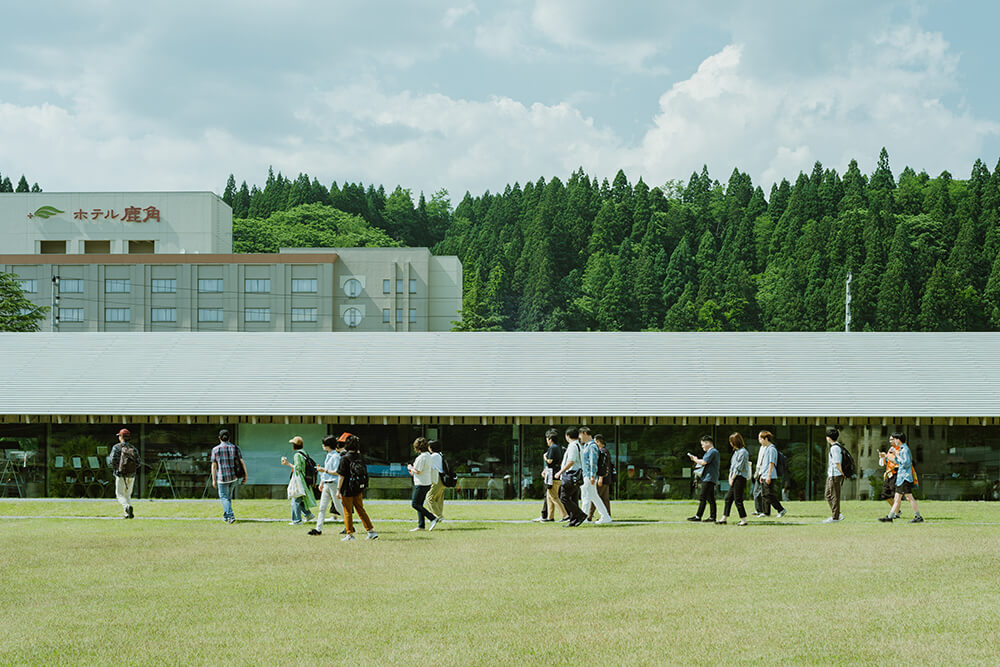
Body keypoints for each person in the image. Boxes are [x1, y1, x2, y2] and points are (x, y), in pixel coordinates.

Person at [336, 434, 377, 541]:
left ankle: (349, 534)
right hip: (358, 487)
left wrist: (338, 490)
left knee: (347, 511)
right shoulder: (360, 457)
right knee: (361, 510)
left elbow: (341, 476)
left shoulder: (344, 458)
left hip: (347, 489)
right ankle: (371, 531)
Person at [879, 433, 924, 523]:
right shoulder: (901, 449)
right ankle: (890, 517)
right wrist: (888, 456)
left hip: (905, 477)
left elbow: (906, 463)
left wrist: (897, 455)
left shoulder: (905, 449)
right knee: (897, 498)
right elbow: (897, 461)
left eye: (894, 439)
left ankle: (918, 516)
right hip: (901, 477)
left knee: (909, 497)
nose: (893, 441)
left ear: (898, 440)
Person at [308, 434, 345, 536]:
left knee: (338, 507)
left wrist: (323, 470)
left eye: (323, 444)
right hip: (327, 484)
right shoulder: (329, 456)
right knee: (322, 507)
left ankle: (348, 526)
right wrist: (322, 482)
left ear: (327, 445)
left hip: (333, 484)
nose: (322, 446)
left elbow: (338, 472)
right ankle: (318, 529)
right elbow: (326, 472)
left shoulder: (336, 456)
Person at [210, 428, 246, 524]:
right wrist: (245, 475)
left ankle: (230, 516)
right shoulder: (235, 448)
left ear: (219, 438)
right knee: (228, 497)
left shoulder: (215, 449)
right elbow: (242, 463)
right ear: (229, 437)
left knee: (224, 498)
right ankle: (225, 516)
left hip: (222, 478)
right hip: (233, 477)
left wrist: (213, 479)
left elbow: (214, 466)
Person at [281, 436, 316, 525]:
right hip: (304, 479)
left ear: (294, 445)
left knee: (295, 499)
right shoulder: (304, 453)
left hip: (299, 480)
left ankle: (297, 520)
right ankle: (308, 515)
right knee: (299, 498)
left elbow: (298, 468)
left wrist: (287, 463)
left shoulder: (297, 455)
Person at [579, 427, 612, 524]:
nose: (580, 437)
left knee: (586, 497)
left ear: (585, 433)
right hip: (587, 475)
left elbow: (593, 461)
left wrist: (592, 475)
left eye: (580, 435)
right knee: (594, 497)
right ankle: (605, 516)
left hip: (589, 475)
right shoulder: (587, 445)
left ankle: (584, 518)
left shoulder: (592, 446)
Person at [555, 427, 587, 527]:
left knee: (563, 497)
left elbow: (571, 461)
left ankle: (580, 515)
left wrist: (560, 472)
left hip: (571, 474)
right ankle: (574, 520)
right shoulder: (579, 445)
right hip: (576, 475)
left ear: (567, 436)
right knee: (573, 499)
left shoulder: (573, 446)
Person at [407, 437, 440, 531]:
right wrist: (412, 470)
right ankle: (421, 525)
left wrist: (410, 467)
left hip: (421, 483)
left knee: (415, 504)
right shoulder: (428, 456)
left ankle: (432, 518)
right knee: (420, 504)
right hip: (427, 482)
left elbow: (418, 471)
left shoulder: (422, 457)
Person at [108, 428, 141, 519]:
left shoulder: (116, 447)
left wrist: (117, 469)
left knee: (120, 495)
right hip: (131, 475)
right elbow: (138, 462)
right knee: (128, 495)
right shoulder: (133, 448)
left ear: (121, 437)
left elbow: (112, 461)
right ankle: (127, 514)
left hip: (120, 475)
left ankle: (126, 507)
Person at [534, 429, 566, 523]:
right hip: (557, 474)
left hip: (553, 475)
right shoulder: (560, 447)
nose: (547, 441)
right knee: (549, 496)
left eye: (547, 439)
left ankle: (565, 515)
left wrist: (544, 456)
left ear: (550, 439)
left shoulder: (552, 448)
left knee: (554, 496)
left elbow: (549, 461)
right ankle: (550, 517)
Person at [718, 432, 750, 526]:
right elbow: (732, 466)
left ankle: (743, 520)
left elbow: (738, 467)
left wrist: (732, 478)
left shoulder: (743, 452)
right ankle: (724, 518)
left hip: (739, 478)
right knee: (728, 498)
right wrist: (730, 477)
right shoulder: (736, 452)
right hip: (734, 477)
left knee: (738, 499)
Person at [687, 435, 720, 522]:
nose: (702, 447)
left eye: (702, 444)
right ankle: (712, 517)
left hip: (709, 478)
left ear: (708, 443)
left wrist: (695, 459)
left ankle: (698, 516)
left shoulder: (712, 452)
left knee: (703, 497)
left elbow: (704, 462)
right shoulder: (711, 452)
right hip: (709, 477)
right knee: (710, 498)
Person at [757, 431, 786, 519]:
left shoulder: (772, 449)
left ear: (766, 439)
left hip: (770, 475)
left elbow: (771, 463)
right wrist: (762, 475)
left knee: (769, 494)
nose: (759, 441)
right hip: (765, 474)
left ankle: (781, 509)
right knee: (764, 494)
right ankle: (766, 512)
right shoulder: (766, 448)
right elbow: (764, 464)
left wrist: (769, 475)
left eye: (761, 439)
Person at [587, 434, 613, 521]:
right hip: (607, 478)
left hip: (602, 478)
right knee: (605, 499)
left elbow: (603, 465)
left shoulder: (602, 452)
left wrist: (600, 477)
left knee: (595, 497)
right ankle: (607, 515)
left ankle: (589, 516)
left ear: (598, 442)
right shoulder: (606, 451)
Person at [823, 427, 846, 523]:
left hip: (835, 475)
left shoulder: (835, 448)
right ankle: (837, 513)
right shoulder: (836, 446)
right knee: (828, 495)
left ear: (828, 438)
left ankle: (835, 517)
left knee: (834, 496)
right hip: (831, 474)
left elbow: (837, 462)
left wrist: (842, 473)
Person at [423, 440, 446, 520]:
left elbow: (426, 464)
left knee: (429, 497)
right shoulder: (440, 454)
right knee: (438, 499)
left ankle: (439, 516)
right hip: (442, 478)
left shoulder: (433, 456)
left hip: (437, 478)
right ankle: (439, 515)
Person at [878, 438, 902, 512]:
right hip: (889, 474)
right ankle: (897, 511)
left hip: (895, 473)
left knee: (895, 495)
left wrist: (886, 456)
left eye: (892, 439)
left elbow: (898, 462)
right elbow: (887, 462)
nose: (890, 441)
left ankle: (895, 512)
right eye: (890, 440)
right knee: (885, 494)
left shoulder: (901, 449)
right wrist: (883, 457)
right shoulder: (891, 449)